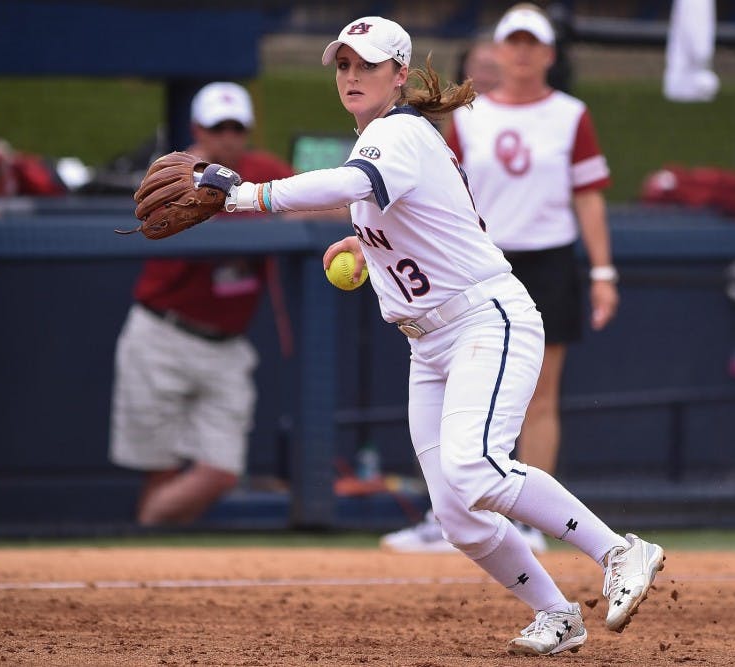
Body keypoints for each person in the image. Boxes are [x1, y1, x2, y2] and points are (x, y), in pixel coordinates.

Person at [139, 16, 665, 656]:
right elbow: (402, 212)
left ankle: (620, 550)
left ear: (398, 74)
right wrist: (366, 244)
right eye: (343, 65)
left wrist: (244, 194)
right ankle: (557, 614)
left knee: (477, 470)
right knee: (457, 516)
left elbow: (354, 184)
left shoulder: (401, 132)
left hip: (484, 320)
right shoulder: (383, 142)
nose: (353, 75)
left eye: (367, 64)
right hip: (429, 344)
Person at [382, 4, 618, 556]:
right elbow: (441, 192)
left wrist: (603, 271)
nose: (522, 52)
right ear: (500, 50)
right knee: (450, 391)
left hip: (549, 258)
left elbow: (589, 195)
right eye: (513, 41)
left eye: (532, 44)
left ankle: (533, 519)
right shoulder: (470, 117)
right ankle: (452, 512)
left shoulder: (569, 114)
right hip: (475, 263)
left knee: (540, 395)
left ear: (549, 55)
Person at [108, 82, 297, 526]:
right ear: (197, 128)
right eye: (218, 127)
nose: (228, 137)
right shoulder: (176, 173)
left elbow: (323, 203)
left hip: (226, 344)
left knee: (221, 471)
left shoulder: (262, 168)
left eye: (237, 127)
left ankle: (147, 528)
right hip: (164, 334)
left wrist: (285, 207)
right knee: (161, 468)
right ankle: (151, 566)